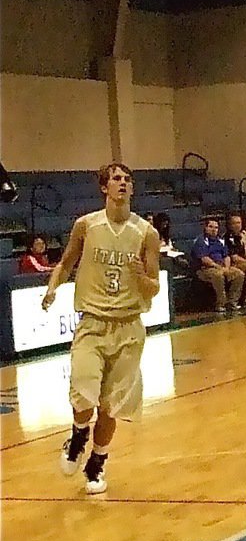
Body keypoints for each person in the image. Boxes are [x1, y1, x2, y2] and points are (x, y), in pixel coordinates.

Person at [40, 163, 161, 495]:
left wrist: (140, 277)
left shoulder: (147, 234)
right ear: (104, 188)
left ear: (132, 189)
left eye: (127, 179)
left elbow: (154, 288)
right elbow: (66, 262)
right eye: (116, 179)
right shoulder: (86, 225)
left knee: (111, 408)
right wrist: (52, 287)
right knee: (83, 395)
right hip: (92, 322)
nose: (122, 183)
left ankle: (96, 463)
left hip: (128, 327)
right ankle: (78, 437)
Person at [190, 217, 244, 312]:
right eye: (211, 227)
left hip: (221, 266)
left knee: (239, 274)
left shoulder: (220, 240)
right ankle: (220, 304)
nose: (214, 230)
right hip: (205, 269)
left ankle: (232, 302)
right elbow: (204, 259)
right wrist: (219, 267)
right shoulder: (201, 240)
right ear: (205, 228)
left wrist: (226, 268)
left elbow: (226, 256)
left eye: (216, 227)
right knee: (218, 275)